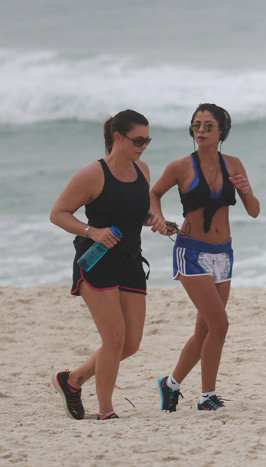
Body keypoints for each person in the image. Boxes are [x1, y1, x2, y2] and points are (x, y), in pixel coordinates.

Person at [50, 109, 166, 420]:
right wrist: (93, 232)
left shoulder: (142, 170)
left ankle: (72, 380)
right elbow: (58, 213)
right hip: (96, 261)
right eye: (138, 140)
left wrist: (153, 219)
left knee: (130, 344)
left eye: (148, 140)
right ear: (118, 137)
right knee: (114, 339)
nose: (143, 146)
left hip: (130, 260)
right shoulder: (93, 174)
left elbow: (133, 213)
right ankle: (106, 411)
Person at [150, 103, 260, 412]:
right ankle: (206, 396)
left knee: (205, 330)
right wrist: (159, 218)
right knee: (219, 324)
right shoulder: (180, 167)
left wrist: (247, 190)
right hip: (192, 253)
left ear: (222, 131)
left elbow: (253, 211)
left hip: (223, 255)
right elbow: (153, 193)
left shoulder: (234, 164)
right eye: (196, 124)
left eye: (208, 125)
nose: (201, 130)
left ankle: (170, 384)